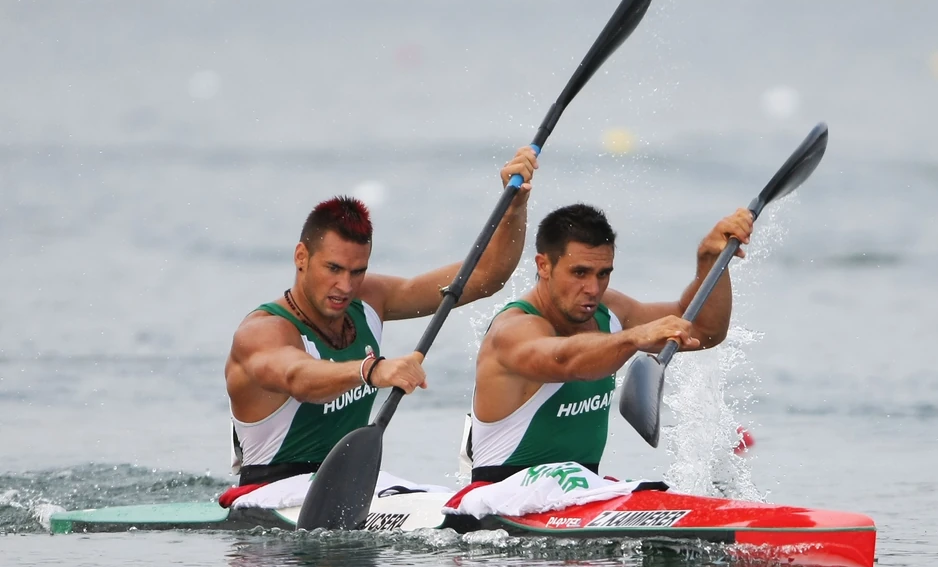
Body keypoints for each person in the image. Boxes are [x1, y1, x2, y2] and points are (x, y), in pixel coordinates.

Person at [225, 147, 539, 487]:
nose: (345, 286)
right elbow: (298, 378)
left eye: (357, 271)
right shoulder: (262, 332)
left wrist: (514, 208)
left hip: (346, 490)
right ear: (301, 257)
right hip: (270, 493)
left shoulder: (369, 299)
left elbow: (484, 276)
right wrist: (371, 369)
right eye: (333, 268)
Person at [466, 203, 754, 482]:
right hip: (501, 499)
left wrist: (710, 261)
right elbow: (564, 361)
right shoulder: (513, 329)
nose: (593, 289)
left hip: (581, 494)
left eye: (603, 274)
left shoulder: (610, 311)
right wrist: (633, 338)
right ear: (544, 265)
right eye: (579, 273)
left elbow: (704, 329)